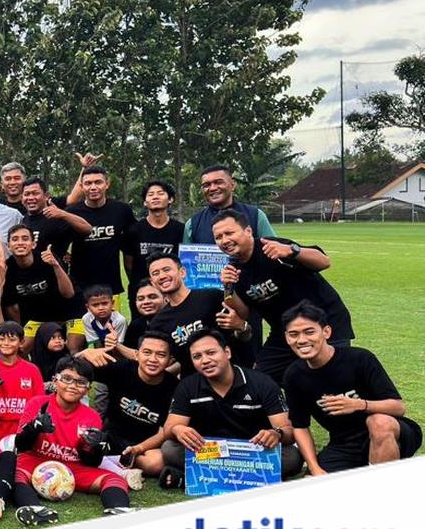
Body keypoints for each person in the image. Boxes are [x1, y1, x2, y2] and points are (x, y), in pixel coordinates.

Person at [282, 302, 421, 475]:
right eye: (294, 334)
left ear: (326, 332)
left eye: (309, 332)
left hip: (393, 431)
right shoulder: (294, 375)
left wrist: (359, 405)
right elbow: (300, 426)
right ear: (287, 338)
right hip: (345, 443)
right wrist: (314, 467)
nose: (302, 340)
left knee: (378, 422)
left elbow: (398, 407)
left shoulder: (360, 359)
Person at [215, 209, 353, 381]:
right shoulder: (234, 269)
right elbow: (243, 313)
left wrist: (292, 251)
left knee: (332, 380)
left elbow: (324, 261)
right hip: (284, 332)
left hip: (325, 322)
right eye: (218, 237)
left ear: (248, 231)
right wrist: (228, 287)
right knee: (260, 379)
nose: (224, 240)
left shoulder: (271, 247)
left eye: (229, 233)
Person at [160, 330, 303, 489]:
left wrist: (276, 434)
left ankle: (202, 475)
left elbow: (289, 430)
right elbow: (169, 430)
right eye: (197, 356)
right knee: (169, 449)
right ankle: (251, 477)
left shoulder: (262, 383)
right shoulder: (187, 386)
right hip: (211, 450)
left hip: (252, 450)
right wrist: (178, 429)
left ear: (227, 352)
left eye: (211, 353)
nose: (205, 360)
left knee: (292, 457)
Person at [10, 357, 137, 526]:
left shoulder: (91, 416)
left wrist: (96, 448)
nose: (72, 385)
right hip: (35, 461)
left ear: (87, 389)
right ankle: (34, 509)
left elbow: (91, 462)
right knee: (13, 473)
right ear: (55, 380)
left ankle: (119, 510)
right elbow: (21, 445)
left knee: (115, 479)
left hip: (73, 467)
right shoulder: (38, 404)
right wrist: (35, 427)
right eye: (67, 379)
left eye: (80, 382)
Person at [78, 331, 179, 478]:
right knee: (85, 444)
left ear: (170, 360)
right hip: (111, 436)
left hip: (145, 445)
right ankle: (116, 464)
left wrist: (138, 448)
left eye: (161, 355)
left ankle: (109, 462)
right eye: (147, 352)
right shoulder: (121, 369)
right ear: (137, 354)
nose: (153, 359)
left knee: (155, 463)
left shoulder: (175, 388)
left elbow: (164, 431)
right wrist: (84, 354)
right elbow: (72, 370)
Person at [147, 252, 249, 375]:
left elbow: (244, 334)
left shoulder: (211, 297)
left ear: (182, 272)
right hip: (194, 385)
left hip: (229, 374)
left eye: (166, 269)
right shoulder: (158, 323)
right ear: (152, 282)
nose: (162, 276)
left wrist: (241, 326)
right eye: (155, 273)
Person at [1, 224, 80, 354]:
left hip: (68, 313)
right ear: (8, 246)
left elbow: (69, 293)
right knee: (19, 349)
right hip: (38, 317)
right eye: (15, 239)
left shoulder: (47, 259)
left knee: (72, 349)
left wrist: (55, 265)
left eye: (25, 238)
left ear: (33, 244)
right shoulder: (8, 268)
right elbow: (12, 307)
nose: (20, 243)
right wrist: (20, 331)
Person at [65, 165, 136, 297]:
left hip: (111, 285)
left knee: (113, 318)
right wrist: (64, 254)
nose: (93, 187)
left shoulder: (121, 210)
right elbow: (56, 240)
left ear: (107, 184)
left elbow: (133, 241)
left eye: (98, 182)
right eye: (88, 183)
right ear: (81, 186)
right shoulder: (72, 212)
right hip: (80, 286)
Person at [0, 322, 47, 455]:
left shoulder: (32, 370)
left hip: (23, 428)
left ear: (21, 342)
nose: (6, 343)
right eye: (1, 339)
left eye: (12, 339)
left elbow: (39, 402)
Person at [123, 180, 183, 315]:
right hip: (140, 291)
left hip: (170, 290)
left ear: (170, 199)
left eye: (160, 193)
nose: (155, 197)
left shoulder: (180, 230)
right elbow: (128, 263)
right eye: (150, 195)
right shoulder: (133, 231)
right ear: (145, 202)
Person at [184, 165, 276, 244]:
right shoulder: (193, 224)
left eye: (219, 182)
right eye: (206, 185)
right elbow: (186, 260)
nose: (212, 188)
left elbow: (274, 251)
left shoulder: (256, 216)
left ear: (232, 185)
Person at [17, 177, 91, 261]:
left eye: (35, 193)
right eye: (27, 194)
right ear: (22, 198)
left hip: (54, 272)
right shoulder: (22, 221)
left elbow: (87, 229)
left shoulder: (57, 217)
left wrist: (63, 214)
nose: (30, 198)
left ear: (46, 196)